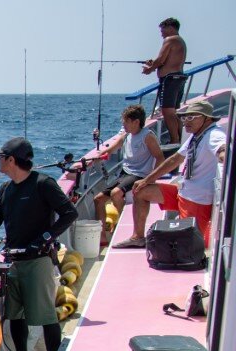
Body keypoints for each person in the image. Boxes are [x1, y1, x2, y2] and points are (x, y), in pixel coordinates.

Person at [0, 137, 78, 351]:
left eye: (0, 157)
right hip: (12, 261)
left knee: (46, 315)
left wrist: (44, 238)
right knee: (15, 316)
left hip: (38, 261)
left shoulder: (43, 183)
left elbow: (69, 213)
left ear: (11, 160)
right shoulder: (5, 189)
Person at [121, 98, 228, 248]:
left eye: (191, 117)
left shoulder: (214, 135)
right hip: (182, 192)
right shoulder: (196, 135)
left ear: (207, 119)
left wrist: (224, 155)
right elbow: (175, 159)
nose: (185, 122)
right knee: (140, 191)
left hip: (196, 200)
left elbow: (223, 149)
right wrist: (147, 180)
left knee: (188, 246)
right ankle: (138, 237)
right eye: (184, 117)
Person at [94, 105, 164, 240]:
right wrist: (98, 157)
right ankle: (102, 237)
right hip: (125, 173)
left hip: (140, 175)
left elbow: (160, 158)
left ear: (136, 122)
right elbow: (110, 150)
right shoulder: (126, 136)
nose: (123, 124)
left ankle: (121, 224)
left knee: (116, 193)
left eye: (126, 121)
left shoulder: (148, 136)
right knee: (98, 199)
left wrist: (151, 179)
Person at [142, 18, 187, 144]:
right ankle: (180, 138)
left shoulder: (170, 39)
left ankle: (175, 140)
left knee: (167, 111)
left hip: (169, 80)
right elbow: (167, 60)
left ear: (170, 28)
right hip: (177, 78)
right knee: (172, 111)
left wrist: (150, 69)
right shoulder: (180, 41)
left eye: (162, 30)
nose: (161, 34)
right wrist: (153, 63)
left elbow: (161, 59)